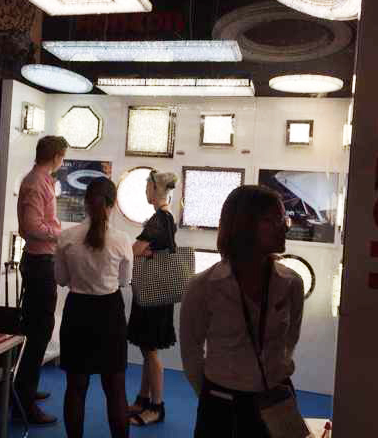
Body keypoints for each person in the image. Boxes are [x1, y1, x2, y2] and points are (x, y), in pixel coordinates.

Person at [180, 185, 305, 437]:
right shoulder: (204, 286)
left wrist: (273, 373)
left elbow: (289, 340)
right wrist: (215, 396)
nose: (283, 227)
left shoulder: (291, 283)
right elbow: (191, 354)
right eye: (271, 220)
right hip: (222, 404)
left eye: (283, 219)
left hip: (276, 398)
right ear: (243, 226)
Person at [55, 177, 133, 438]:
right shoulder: (122, 240)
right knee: (115, 389)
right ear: (112, 204)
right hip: (110, 313)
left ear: (85, 203)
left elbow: (61, 279)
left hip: (77, 312)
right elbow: (124, 281)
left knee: (76, 388)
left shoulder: (66, 237)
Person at [15, 135, 68, 425]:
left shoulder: (42, 180)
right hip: (39, 263)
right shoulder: (37, 183)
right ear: (57, 156)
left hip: (41, 261)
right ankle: (23, 401)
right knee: (38, 331)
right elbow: (31, 226)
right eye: (63, 156)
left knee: (36, 329)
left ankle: (25, 389)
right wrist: (61, 234)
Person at [127, 170, 178, 426]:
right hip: (158, 291)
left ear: (156, 189)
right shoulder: (167, 217)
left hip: (152, 292)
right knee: (148, 349)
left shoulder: (159, 219)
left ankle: (157, 407)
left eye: (147, 187)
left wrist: (142, 252)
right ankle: (143, 399)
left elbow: (134, 249)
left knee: (150, 351)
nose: (145, 192)